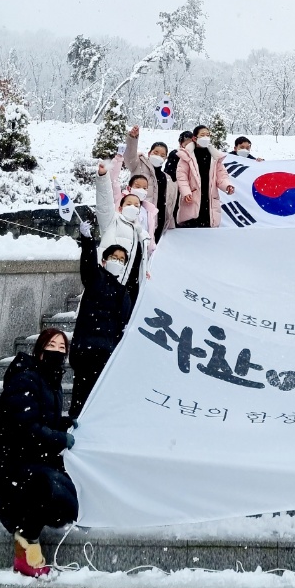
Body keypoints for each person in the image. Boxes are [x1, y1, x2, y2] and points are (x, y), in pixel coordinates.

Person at [0, 328, 78, 577]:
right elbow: (25, 427)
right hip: (6, 463)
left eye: (62, 348)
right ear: (40, 349)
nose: (57, 351)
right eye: (51, 346)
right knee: (50, 488)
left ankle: (19, 513)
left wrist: (64, 424)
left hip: (30, 458)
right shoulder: (26, 378)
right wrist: (59, 438)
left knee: (67, 497)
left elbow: (41, 419)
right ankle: (25, 546)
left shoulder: (50, 380)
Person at [69, 224, 132, 417]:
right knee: (81, 398)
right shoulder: (96, 278)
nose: (117, 261)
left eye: (121, 260)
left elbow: (124, 323)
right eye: (114, 257)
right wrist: (88, 240)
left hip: (107, 352)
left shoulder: (123, 292)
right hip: (87, 350)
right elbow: (88, 263)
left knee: (98, 402)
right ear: (104, 261)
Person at [95, 162, 152, 305]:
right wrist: (103, 177)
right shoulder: (112, 221)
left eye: (136, 205)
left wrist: (144, 271)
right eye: (129, 204)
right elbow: (104, 204)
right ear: (120, 208)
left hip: (130, 289)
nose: (133, 207)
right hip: (108, 284)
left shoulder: (141, 234)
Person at [123, 124, 177, 243]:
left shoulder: (166, 178)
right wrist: (132, 139)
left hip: (158, 223)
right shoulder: (138, 165)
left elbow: (169, 204)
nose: (159, 156)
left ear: (165, 158)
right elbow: (129, 156)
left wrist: (169, 222)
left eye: (162, 155)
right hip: (139, 220)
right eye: (156, 152)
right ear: (149, 153)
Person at [174, 124, 235, 228]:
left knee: (208, 224)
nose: (206, 137)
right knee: (191, 225)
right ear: (195, 138)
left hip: (209, 197)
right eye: (202, 135)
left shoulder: (215, 156)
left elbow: (222, 175)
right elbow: (181, 177)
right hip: (192, 197)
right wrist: (186, 192)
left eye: (208, 135)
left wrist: (227, 185)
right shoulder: (187, 155)